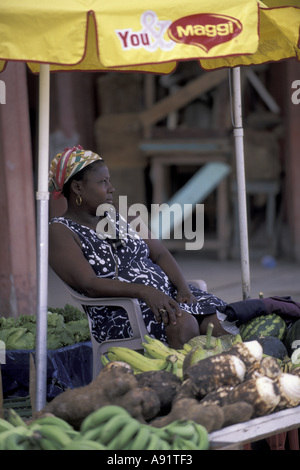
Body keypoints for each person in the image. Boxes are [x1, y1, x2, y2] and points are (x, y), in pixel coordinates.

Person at [48, 145, 231, 349]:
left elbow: (160, 254)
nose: (111, 188)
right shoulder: (61, 231)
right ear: (77, 188)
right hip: (122, 312)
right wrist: (144, 292)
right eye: (102, 182)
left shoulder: (123, 215)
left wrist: (183, 288)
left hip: (166, 297)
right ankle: (182, 379)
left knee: (221, 322)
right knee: (183, 324)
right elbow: (89, 283)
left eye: (109, 180)